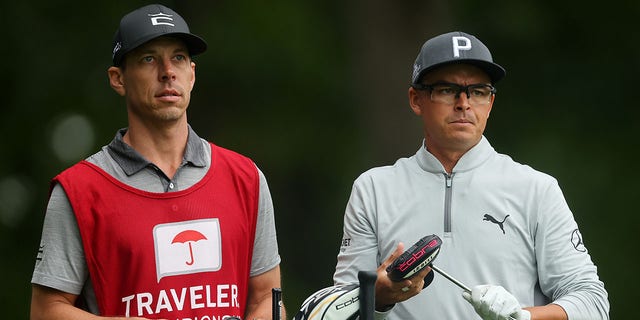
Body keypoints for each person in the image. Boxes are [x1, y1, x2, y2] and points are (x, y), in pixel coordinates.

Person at [30, 4, 284, 320]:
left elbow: (267, 299)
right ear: (118, 78)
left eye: (178, 57)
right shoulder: (80, 191)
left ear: (192, 73)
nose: (167, 71)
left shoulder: (246, 178)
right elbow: (45, 311)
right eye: (149, 59)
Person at [333, 31, 609, 320]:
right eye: (446, 89)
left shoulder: (536, 190)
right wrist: (379, 295)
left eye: (478, 92)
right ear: (416, 99)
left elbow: (592, 303)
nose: (463, 103)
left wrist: (523, 316)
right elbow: (338, 307)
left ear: (490, 103)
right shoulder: (373, 189)